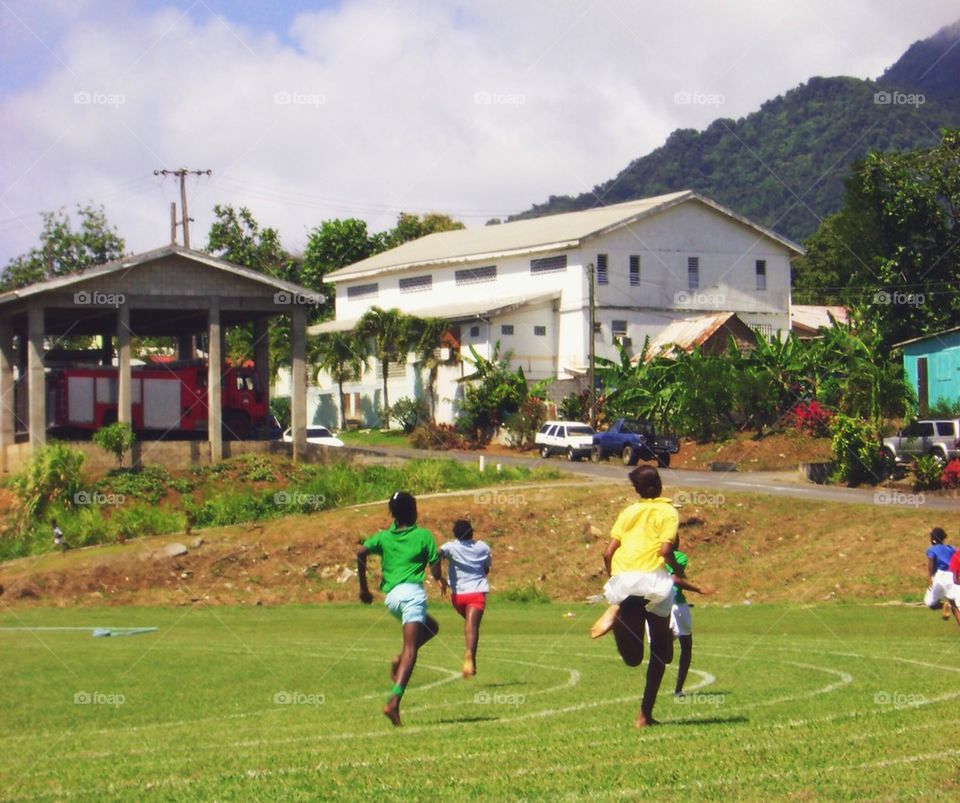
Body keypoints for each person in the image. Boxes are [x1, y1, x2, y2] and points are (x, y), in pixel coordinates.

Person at [589, 465, 708, 727]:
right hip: (654, 582)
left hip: (625, 582)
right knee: (661, 654)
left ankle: (618, 612)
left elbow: (607, 553)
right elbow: (666, 550)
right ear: (660, 485)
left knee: (633, 660)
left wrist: (614, 578)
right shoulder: (668, 511)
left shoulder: (628, 512)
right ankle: (644, 715)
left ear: (637, 490)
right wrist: (679, 571)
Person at [357, 491, 444, 726]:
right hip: (412, 596)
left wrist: (364, 589)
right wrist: (440, 575)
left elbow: (361, 553)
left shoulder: (383, 537)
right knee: (411, 650)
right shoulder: (424, 536)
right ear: (414, 512)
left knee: (432, 627)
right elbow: (435, 571)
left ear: (392, 514)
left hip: (392, 599)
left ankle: (399, 659)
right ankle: (394, 702)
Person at [439, 519, 491, 678]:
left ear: (455, 534)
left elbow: (436, 555)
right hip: (476, 593)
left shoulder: (450, 547)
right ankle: (470, 657)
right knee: (472, 627)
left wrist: (439, 578)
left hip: (458, 596)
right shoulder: (483, 547)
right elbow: (486, 568)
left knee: (470, 626)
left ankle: (471, 658)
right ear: (471, 532)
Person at [666, 539, 695, 697]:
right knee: (686, 646)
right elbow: (677, 578)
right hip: (676, 606)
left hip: (664, 605)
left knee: (667, 648)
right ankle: (678, 690)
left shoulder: (654, 558)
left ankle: (678, 689)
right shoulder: (681, 557)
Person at [924, 527, 960, 627]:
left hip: (940, 576)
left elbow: (931, 564)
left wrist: (930, 578)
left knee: (930, 603)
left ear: (933, 539)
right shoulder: (951, 548)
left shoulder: (932, 549)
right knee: (955, 605)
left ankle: (943, 605)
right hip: (952, 576)